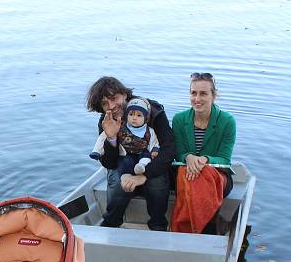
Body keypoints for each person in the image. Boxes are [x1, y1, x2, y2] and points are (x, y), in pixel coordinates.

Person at [85, 77, 175, 230]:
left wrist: (144, 176)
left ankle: (158, 225)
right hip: (122, 165)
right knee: (118, 183)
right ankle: (111, 223)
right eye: (105, 103)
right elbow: (109, 164)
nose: (111, 106)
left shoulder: (153, 111)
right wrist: (111, 138)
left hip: (149, 164)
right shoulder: (106, 119)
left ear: (124, 94)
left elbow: (169, 150)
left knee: (157, 183)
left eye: (114, 99)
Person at [170, 72, 236, 233]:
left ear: (214, 96)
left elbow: (225, 159)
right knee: (188, 174)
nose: (197, 99)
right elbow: (177, 153)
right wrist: (188, 157)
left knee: (203, 174)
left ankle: (186, 229)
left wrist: (204, 160)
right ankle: (207, 228)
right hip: (185, 173)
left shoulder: (227, 121)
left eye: (203, 93)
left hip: (218, 178)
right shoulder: (179, 119)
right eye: (193, 93)